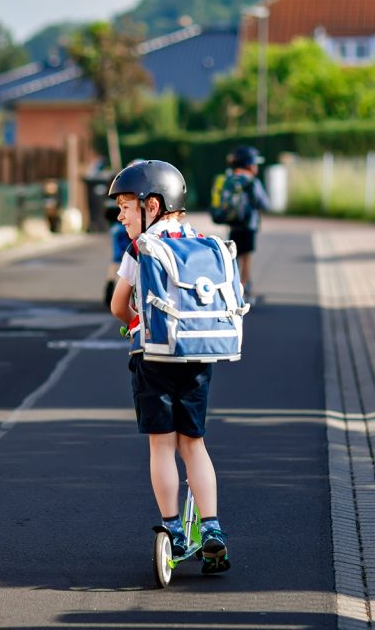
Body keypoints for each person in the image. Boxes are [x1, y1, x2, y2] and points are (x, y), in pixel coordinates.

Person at [108, 160, 231, 575]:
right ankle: (212, 528)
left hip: (154, 358)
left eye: (126, 206)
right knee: (193, 443)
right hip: (198, 355)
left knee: (162, 444)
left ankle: (175, 530)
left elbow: (117, 305)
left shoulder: (140, 248)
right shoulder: (202, 242)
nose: (120, 215)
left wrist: (132, 327)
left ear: (153, 205)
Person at [219, 146, 270, 302]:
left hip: (233, 225)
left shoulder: (228, 178)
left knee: (233, 257)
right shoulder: (251, 181)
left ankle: (233, 288)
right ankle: (243, 292)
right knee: (246, 258)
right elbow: (264, 203)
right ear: (248, 164)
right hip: (248, 226)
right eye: (254, 164)